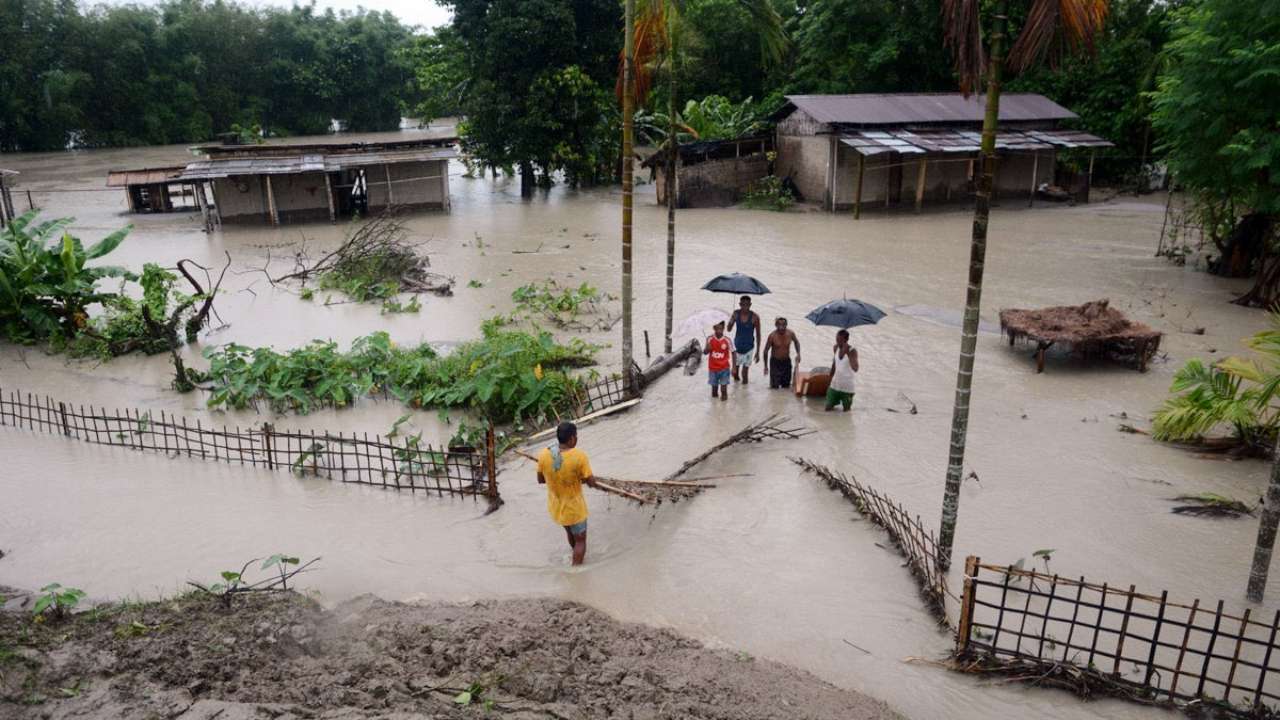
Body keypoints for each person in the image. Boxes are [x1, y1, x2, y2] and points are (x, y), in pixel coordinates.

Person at [536, 422, 598, 565]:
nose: (576, 439)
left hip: (557, 507)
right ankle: (576, 573)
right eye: (576, 436)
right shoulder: (579, 456)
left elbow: (540, 479)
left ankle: (574, 554)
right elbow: (591, 482)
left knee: (570, 533)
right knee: (581, 540)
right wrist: (587, 481)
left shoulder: (544, 454)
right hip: (574, 509)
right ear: (571, 439)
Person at [725, 295, 761, 384]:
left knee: (745, 374)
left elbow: (758, 335)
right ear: (739, 304)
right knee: (735, 373)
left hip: (749, 348)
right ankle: (737, 392)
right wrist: (731, 320)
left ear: (750, 305)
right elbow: (728, 329)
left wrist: (758, 352)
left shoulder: (755, 317)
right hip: (737, 347)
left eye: (747, 305)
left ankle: (745, 393)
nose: (745, 307)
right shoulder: (736, 314)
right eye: (743, 305)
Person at [763, 317, 801, 390]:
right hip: (775, 363)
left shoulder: (790, 333)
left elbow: (796, 342)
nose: (781, 327)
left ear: (786, 325)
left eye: (783, 325)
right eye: (779, 325)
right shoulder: (772, 336)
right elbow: (765, 351)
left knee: (786, 386)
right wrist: (765, 366)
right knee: (774, 387)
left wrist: (798, 354)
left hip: (786, 362)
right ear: (776, 325)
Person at [826, 329, 858, 412]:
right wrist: (829, 378)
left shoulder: (852, 351)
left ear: (846, 340)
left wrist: (847, 353)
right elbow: (834, 363)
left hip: (847, 388)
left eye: (840, 340)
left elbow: (856, 368)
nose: (838, 342)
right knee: (828, 408)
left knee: (846, 412)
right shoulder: (835, 347)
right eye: (837, 339)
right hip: (835, 385)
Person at [704, 320, 731, 401]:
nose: (719, 331)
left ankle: (724, 411)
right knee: (714, 392)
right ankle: (715, 411)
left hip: (724, 368)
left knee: (723, 390)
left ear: (723, 329)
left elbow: (733, 352)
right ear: (714, 328)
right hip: (712, 369)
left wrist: (734, 368)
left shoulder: (727, 340)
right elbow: (705, 352)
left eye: (721, 329)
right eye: (717, 329)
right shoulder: (709, 339)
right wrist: (707, 349)